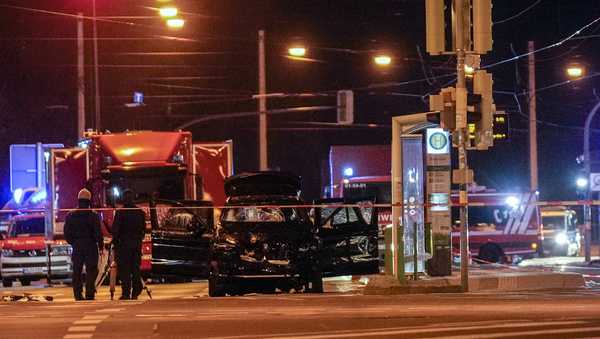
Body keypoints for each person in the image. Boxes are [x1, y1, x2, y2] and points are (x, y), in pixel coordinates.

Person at [64, 188, 103, 301]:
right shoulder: (93, 215)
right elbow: (98, 233)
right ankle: (90, 293)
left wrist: (74, 242)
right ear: (89, 201)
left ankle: (78, 294)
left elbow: (67, 233)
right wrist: (100, 245)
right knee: (91, 270)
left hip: (77, 245)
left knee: (77, 271)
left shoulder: (71, 215)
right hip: (90, 245)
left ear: (78, 200)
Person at [112, 189, 146, 300]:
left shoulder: (120, 213)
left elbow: (115, 231)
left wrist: (116, 244)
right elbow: (143, 230)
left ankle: (126, 293)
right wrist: (138, 240)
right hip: (136, 244)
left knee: (125, 270)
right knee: (135, 268)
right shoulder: (140, 212)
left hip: (124, 246)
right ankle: (136, 290)